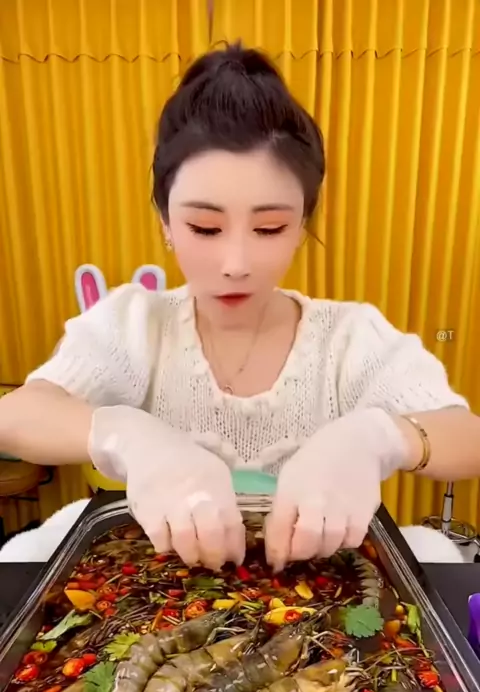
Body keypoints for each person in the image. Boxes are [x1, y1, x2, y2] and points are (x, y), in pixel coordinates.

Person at [0, 42, 479, 573]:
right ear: (165, 221)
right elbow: (15, 417)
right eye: (205, 227)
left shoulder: (349, 337)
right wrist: (125, 434)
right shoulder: (136, 324)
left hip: (320, 581)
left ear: (302, 224)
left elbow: (466, 435)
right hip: (160, 581)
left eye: (269, 228)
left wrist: (381, 437)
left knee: (435, 553)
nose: (236, 264)